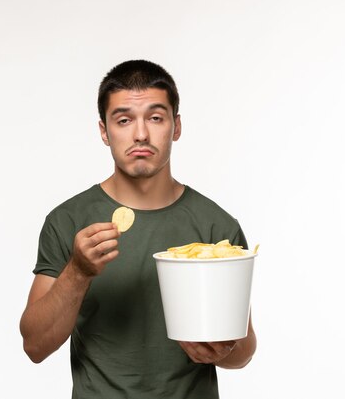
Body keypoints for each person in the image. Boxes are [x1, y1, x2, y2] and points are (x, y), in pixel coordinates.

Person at [20, 60, 256, 398]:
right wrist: (78, 271)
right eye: (124, 120)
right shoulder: (68, 220)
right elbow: (34, 345)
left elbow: (244, 351)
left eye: (156, 118)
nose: (141, 133)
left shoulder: (215, 226)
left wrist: (222, 351)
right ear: (104, 131)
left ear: (176, 127)